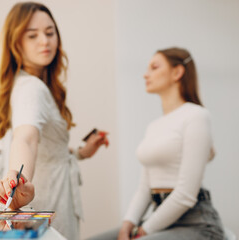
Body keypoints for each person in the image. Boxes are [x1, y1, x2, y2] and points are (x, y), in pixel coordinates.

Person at [0, 2, 109, 240]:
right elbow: (26, 137)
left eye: (50, 32)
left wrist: (81, 153)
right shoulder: (32, 88)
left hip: (54, 194)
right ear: (16, 43)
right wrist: (17, 176)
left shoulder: (36, 84)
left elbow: (46, 148)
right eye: (32, 35)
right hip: (48, 198)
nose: (44, 41)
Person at [89, 47, 224, 240]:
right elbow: (145, 187)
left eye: (154, 67)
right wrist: (127, 226)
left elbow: (186, 195)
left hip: (197, 223)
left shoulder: (196, 116)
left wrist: (144, 231)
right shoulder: (154, 126)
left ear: (177, 72)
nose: (146, 74)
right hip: (160, 218)